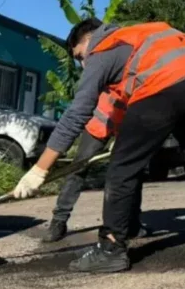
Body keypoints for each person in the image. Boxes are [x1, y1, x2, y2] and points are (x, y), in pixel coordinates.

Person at [13, 18, 185, 273]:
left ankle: (111, 250)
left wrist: (39, 169)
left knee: (121, 168)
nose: (83, 63)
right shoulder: (141, 38)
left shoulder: (103, 48)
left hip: (164, 83)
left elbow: (77, 113)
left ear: (88, 40)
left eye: (79, 56)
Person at [41, 91, 150, 243]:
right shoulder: (119, 74)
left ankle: (132, 222)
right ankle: (59, 221)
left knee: (131, 171)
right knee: (78, 169)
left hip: (129, 127)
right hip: (101, 122)